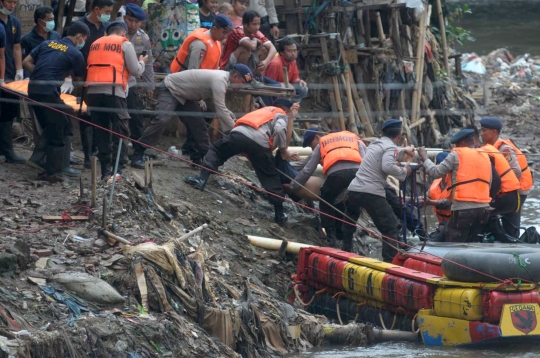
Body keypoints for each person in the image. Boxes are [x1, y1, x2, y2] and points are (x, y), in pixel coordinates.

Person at [186, 99, 300, 224]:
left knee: (216, 150)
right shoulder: (280, 113)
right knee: (270, 175)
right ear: (285, 109)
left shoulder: (262, 111)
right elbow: (279, 130)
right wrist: (283, 151)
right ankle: (279, 214)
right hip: (260, 142)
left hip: (238, 135)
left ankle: (202, 180)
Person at [131, 64, 253, 168]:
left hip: (185, 96)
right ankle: (138, 153)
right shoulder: (220, 80)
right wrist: (235, 131)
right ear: (235, 76)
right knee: (162, 119)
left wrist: (231, 119)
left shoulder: (223, 79)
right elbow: (221, 109)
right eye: (242, 83)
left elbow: (222, 107)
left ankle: (203, 160)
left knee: (198, 125)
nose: (242, 87)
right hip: (170, 88)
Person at [22, 22, 89, 183]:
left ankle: (42, 161)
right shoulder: (75, 53)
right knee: (58, 129)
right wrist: (81, 102)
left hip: (34, 90)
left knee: (62, 123)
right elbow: (80, 82)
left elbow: (26, 62)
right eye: (84, 39)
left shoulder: (46, 43)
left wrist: (40, 75)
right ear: (79, 37)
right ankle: (53, 173)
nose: (83, 42)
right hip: (47, 93)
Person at [342, 119, 414, 260]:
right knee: (390, 228)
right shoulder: (390, 148)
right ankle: (389, 264)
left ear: (382, 133)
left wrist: (404, 151)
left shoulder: (375, 144)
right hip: (371, 192)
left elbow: (388, 154)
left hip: (354, 189)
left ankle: (345, 252)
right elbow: (387, 166)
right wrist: (405, 170)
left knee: (349, 223)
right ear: (399, 136)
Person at [85, 21, 147, 179]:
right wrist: (142, 62)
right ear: (124, 33)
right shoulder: (124, 44)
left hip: (92, 93)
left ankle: (105, 171)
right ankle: (117, 171)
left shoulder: (95, 43)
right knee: (121, 132)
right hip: (114, 92)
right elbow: (136, 70)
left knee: (101, 131)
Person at [418, 128, 501, 243]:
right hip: (483, 210)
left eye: (456, 145)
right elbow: (492, 182)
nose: (453, 148)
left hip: (463, 210)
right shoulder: (485, 156)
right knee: (474, 242)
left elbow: (435, 172)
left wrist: (424, 157)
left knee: (453, 242)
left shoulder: (457, 154)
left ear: (461, 143)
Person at [285, 129, 366, 245]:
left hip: (337, 175)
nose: (311, 148)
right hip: (358, 173)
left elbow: (308, 170)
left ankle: (331, 237)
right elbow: (366, 158)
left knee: (325, 199)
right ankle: (346, 239)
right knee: (349, 202)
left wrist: (292, 187)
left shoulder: (322, 144)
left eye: (310, 144)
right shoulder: (351, 138)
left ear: (317, 138)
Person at [74, 0, 113, 168]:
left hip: (105, 78)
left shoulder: (108, 27)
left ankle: (100, 150)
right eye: (106, 11)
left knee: (103, 116)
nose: (108, 14)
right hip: (83, 76)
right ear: (96, 9)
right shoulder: (79, 26)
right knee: (86, 116)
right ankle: (88, 155)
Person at [480, 117, 533, 238]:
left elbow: (516, 171)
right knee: (511, 223)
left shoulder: (504, 149)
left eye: (484, 131)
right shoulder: (493, 147)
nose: (481, 134)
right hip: (513, 190)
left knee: (507, 220)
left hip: (518, 190)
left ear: (493, 132)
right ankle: (508, 240)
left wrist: (500, 187)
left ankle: (508, 242)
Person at [124, 3, 154, 148]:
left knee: (136, 114)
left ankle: (138, 149)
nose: (132, 24)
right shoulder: (116, 32)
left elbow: (148, 63)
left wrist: (149, 86)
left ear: (141, 22)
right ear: (125, 18)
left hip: (131, 81)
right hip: (113, 81)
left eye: (136, 22)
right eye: (130, 20)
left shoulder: (143, 38)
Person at [0, 0, 25, 164]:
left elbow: (16, 48)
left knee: (8, 111)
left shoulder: (14, 22)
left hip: (9, 72)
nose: (12, 5)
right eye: (9, 2)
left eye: (15, 2)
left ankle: (7, 150)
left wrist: (19, 70)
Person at [220, 10, 276, 74]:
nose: (257, 27)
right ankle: (241, 76)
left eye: (258, 24)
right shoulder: (237, 31)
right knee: (245, 49)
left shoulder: (256, 32)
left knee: (265, 49)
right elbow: (251, 46)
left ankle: (254, 76)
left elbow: (273, 48)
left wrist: (266, 62)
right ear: (245, 25)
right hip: (228, 65)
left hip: (246, 62)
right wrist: (255, 39)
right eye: (254, 24)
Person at [264, 37, 308, 102]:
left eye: (295, 50)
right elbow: (269, 84)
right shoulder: (275, 64)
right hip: (275, 89)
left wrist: (299, 81)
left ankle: (292, 107)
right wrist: (285, 85)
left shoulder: (292, 61)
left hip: (286, 86)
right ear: (282, 52)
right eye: (289, 51)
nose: (293, 54)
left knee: (303, 88)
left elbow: (294, 78)